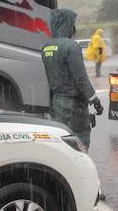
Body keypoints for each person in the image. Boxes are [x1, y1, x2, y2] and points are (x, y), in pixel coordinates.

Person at [41, 8, 103, 150]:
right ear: (66, 24)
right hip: (74, 105)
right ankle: (80, 168)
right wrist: (95, 100)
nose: (74, 27)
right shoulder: (71, 47)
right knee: (80, 140)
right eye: (73, 23)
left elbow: (50, 77)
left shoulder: (46, 47)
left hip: (57, 103)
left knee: (62, 140)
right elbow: (81, 79)